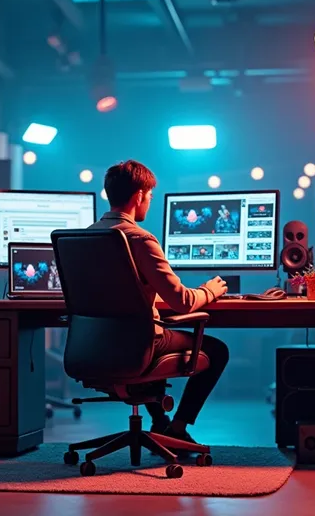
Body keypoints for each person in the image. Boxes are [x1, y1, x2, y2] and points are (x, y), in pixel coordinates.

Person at [88, 160, 229, 453]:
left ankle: (159, 424)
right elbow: (183, 302)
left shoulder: (84, 237)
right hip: (138, 344)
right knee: (215, 349)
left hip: (92, 345)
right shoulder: (140, 239)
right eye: (150, 196)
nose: (149, 202)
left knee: (157, 334)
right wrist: (211, 290)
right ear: (139, 195)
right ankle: (177, 428)